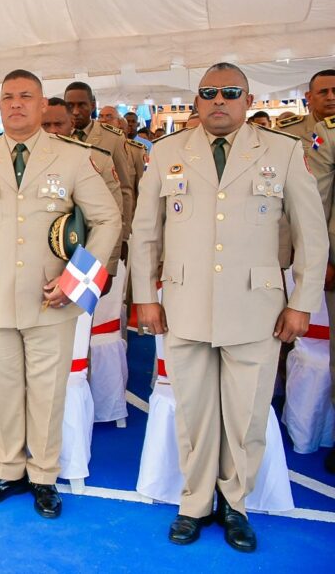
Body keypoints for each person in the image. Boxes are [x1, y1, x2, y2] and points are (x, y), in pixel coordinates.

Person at [131, 62, 327, 551]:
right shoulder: (167, 152)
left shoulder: (283, 152)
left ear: (248, 99)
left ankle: (235, 504)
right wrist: (143, 298)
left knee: (246, 416)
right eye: (209, 92)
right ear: (197, 101)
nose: (219, 100)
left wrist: (302, 302)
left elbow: (312, 235)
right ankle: (195, 503)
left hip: (255, 307)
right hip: (183, 305)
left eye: (230, 92)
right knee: (193, 412)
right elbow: (145, 232)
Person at [0, 69, 121, 519]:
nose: (16, 104)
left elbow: (108, 220)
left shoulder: (72, 157)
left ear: (44, 105)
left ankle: (44, 476)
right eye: (8, 97)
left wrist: (77, 281)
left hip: (52, 299)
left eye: (27, 96)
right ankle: (7, 470)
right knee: (2, 389)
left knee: (47, 392)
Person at [299, 69, 335, 474]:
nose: (330, 97)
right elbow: (315, 205)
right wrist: (318, 259)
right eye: (323, 92)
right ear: (309, 98)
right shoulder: (320, 137)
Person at [42, 98, 123, 277]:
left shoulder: (97, 159)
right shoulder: (25, 163)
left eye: (58, 124)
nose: (52, 130)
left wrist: (106, 269)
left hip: (86, 262)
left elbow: (112, 218)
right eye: (46, 125)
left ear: (71, 124)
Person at [64, 81, 136, 246]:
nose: (75, 111)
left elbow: (124, 188)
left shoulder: (113, 138)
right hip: (65, 232)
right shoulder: (57, 137)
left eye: (81, 105)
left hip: (101, 230)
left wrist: (123, 235)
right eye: (70, 105)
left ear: (93, 105)